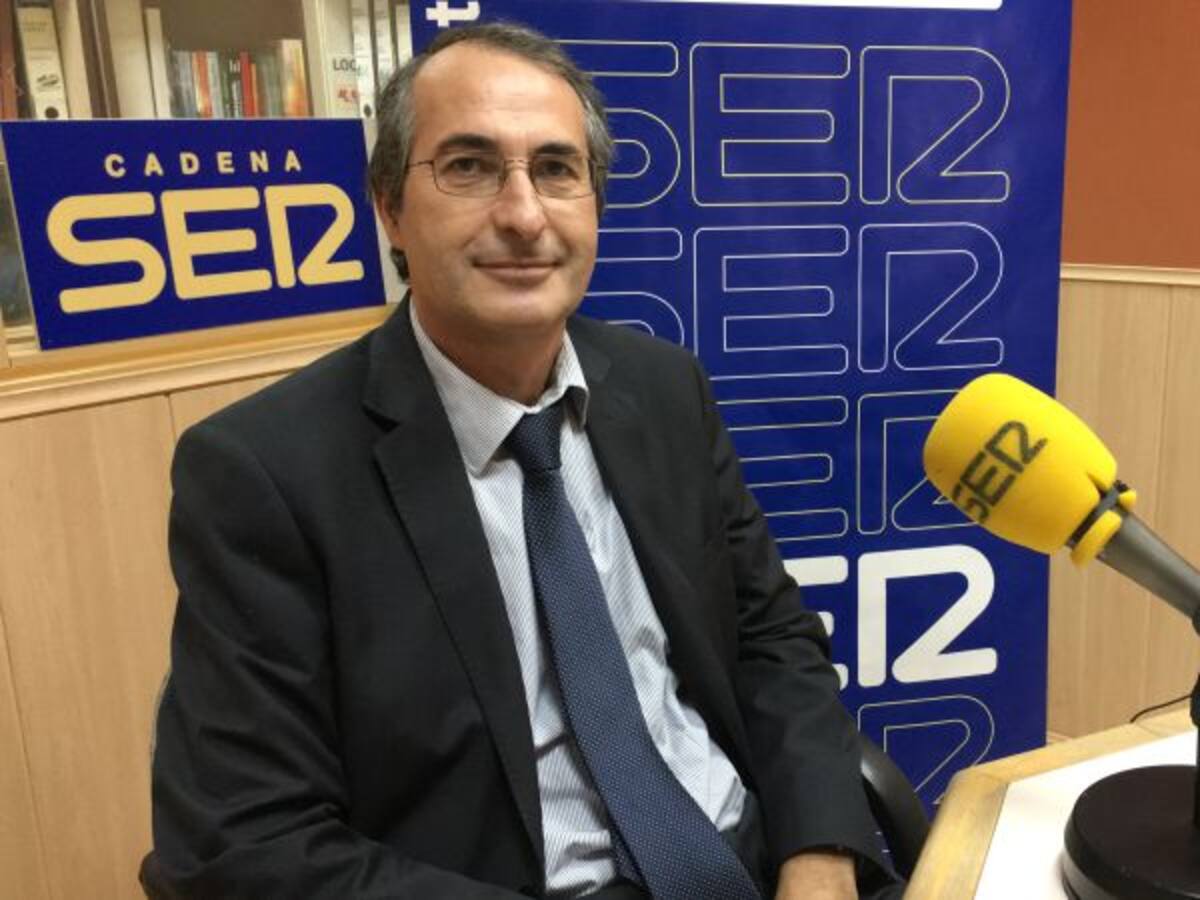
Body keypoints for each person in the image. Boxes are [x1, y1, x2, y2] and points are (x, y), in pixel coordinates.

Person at [142, 21, 900, 900]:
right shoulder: (265, 473)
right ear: (389, 207)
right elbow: (246, 841)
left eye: (556, 169)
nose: (524, 215)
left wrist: (819, 852)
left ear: (593, 203)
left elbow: (772, 639)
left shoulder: (663, 390)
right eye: (468, 167)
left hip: (752, 858)